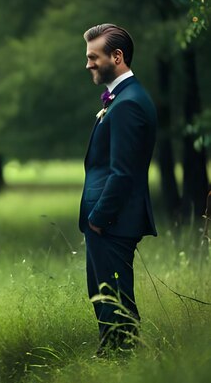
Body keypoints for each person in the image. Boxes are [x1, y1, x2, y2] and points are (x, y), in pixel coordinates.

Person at [79, 24, 157, 356]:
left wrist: (98, 219)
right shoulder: (123, 98)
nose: (88, 65)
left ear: (117, 56)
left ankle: (119, 362)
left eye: (93, 57)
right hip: (109, 223)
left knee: (115, 304)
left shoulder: (129, 104)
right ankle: (115, 360)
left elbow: (123, 173)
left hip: (112, 223)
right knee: (105, 296)